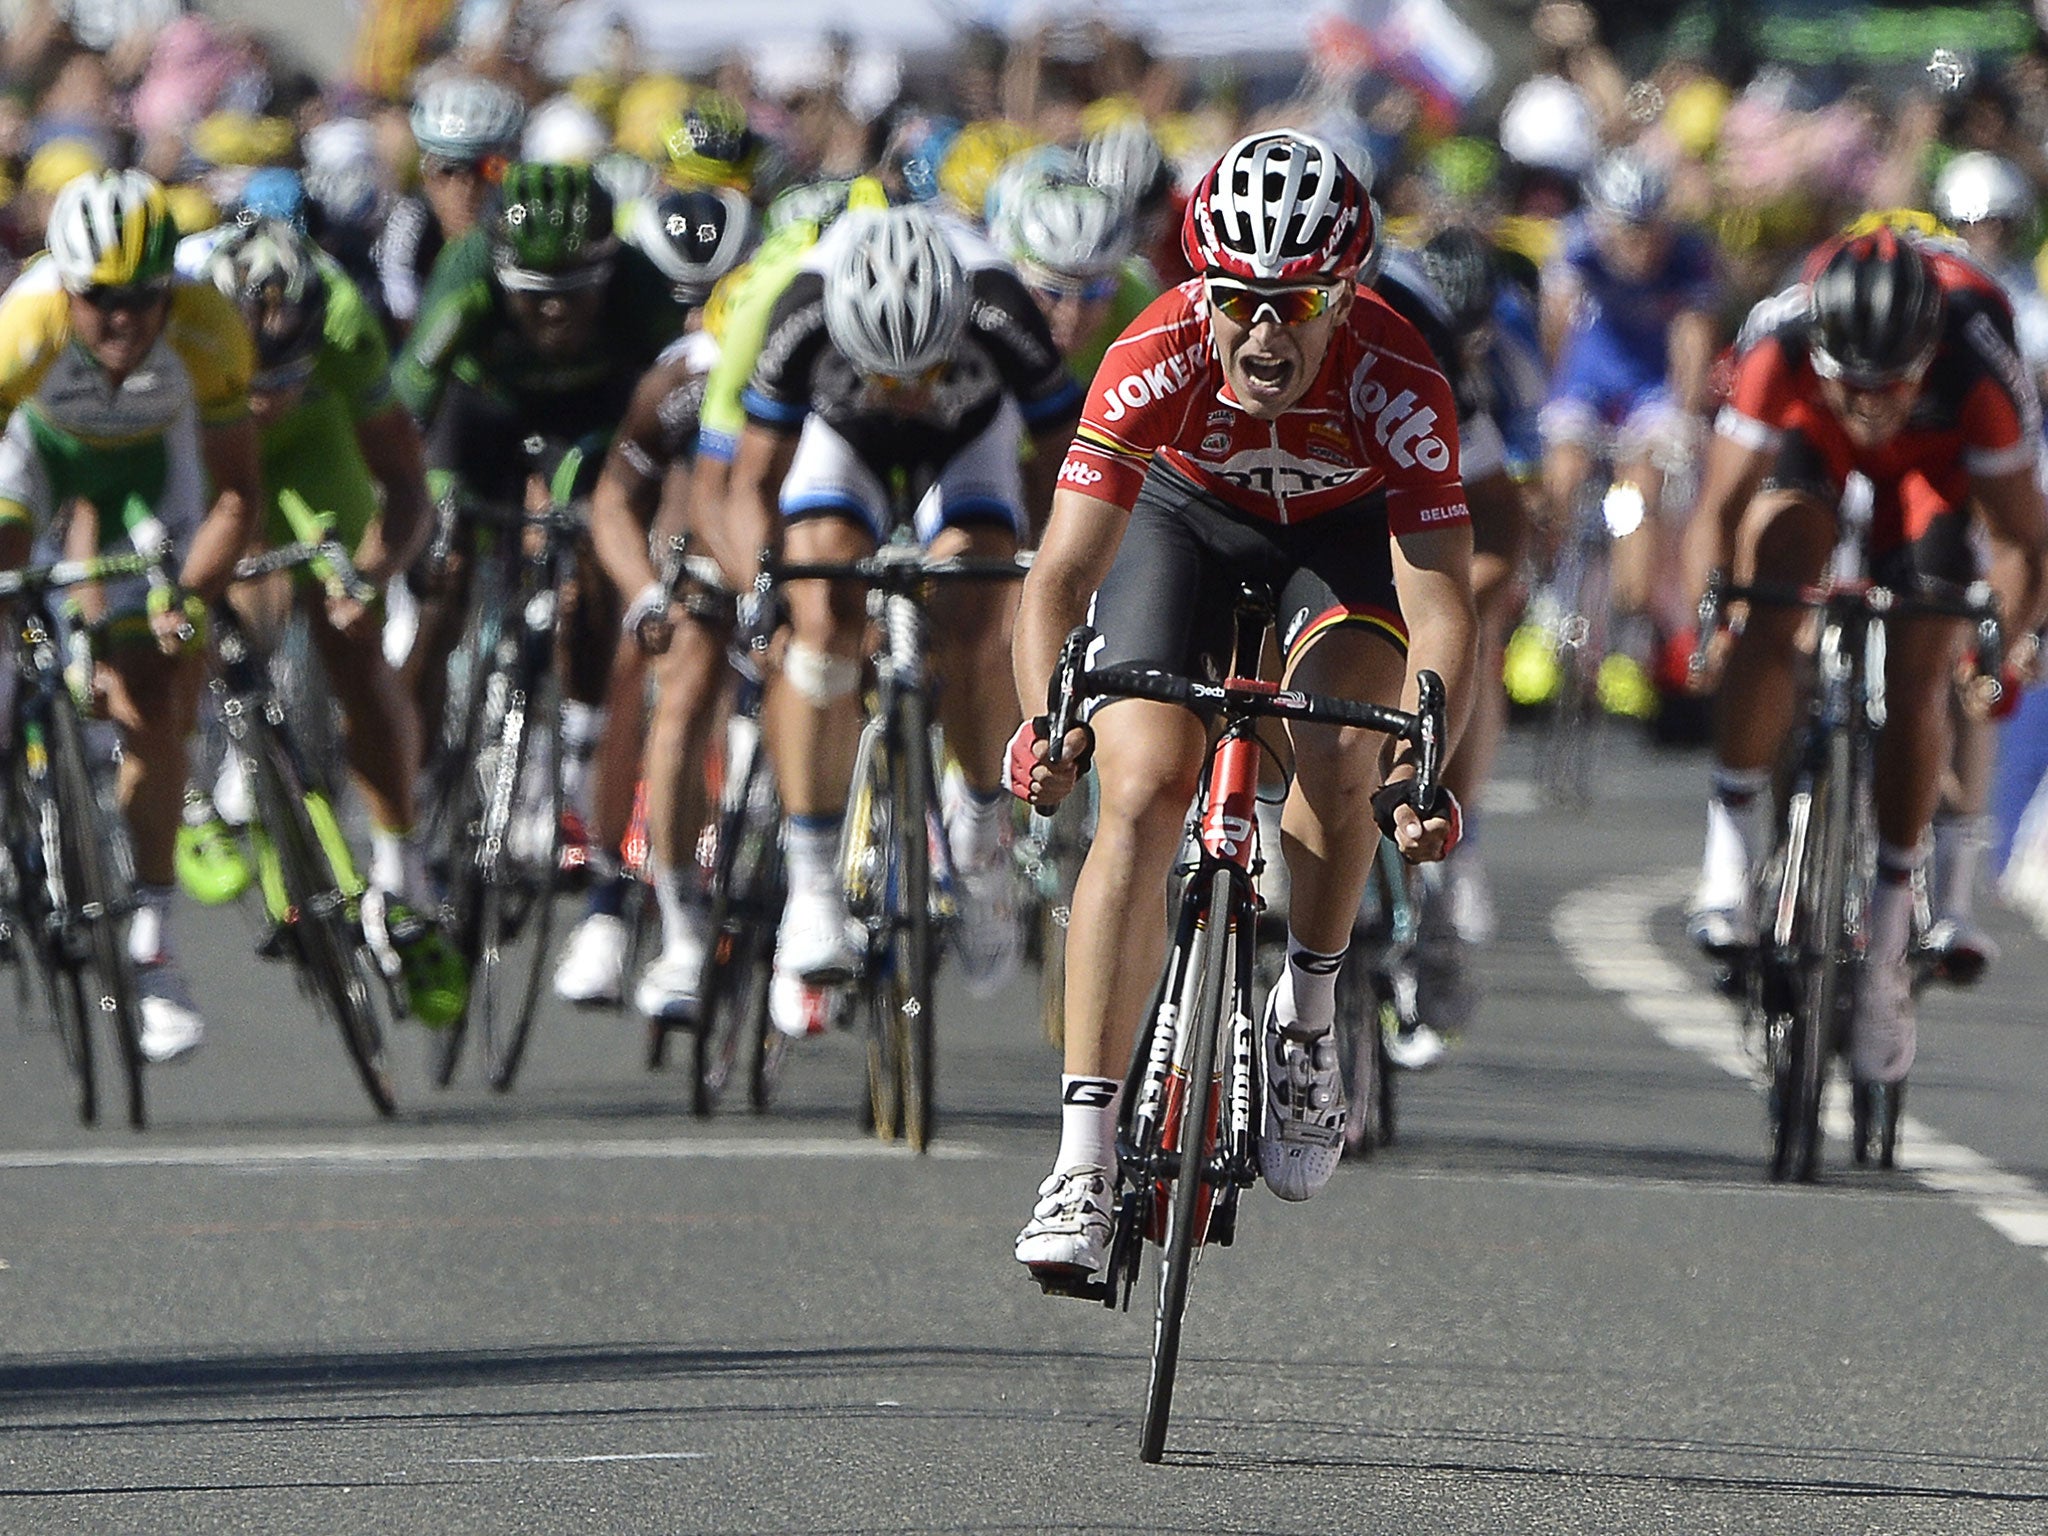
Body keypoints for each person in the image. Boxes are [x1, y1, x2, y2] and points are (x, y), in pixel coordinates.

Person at [1009, 131, 1476, 1285]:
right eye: (1238, 301)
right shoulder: (1154, 347)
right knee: (1141, 785)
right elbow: (1060, 576)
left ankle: (1307, 1019)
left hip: (1341, 542)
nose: (1263, 333)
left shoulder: (1396, 377)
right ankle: (1079, 1157)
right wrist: (1046, 719)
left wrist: (1420, 767)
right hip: (1184, 526)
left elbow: (1444, 611)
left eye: (1297, 302)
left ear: (1345, 296)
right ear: (1202, 290)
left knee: (1342, 736)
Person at [1683, 225, 2048, 1089]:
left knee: (1924, 667)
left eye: (1894, 384)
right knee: (1774, 581)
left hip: (1936, 472)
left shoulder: (1978, 354)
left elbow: (2025, 542)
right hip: (1811, 449)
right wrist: (1717, 622)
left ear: (1929, 353)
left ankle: (1888, 943)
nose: (1874, 403)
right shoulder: (1778, 336)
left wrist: (2000, 639)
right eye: (1856, 383)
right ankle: (1729, 858)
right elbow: (1718, 506)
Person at [725, 202, 1081, 1030]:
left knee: (976, 603)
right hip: (840, 441)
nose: (906, 393)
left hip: (971, 440)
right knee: (821, 616)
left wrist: (1052, 581)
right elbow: (749, 483)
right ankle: (812, 890)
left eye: (922, 371)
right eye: (887, 374)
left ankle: (981, 830)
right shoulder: (804, 313)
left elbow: (1068, 464)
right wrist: (761, 587)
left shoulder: (1000, 306)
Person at [391, 162, 689, 1006]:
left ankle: (583, 735)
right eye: (534, 294)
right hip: (481, 417)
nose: (555, 310)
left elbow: (672, 419)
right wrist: (423, 519)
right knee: (443, 583)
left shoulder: (638, 289)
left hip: (598, 419)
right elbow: (408, 409)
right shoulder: (466, 279)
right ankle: (410, 780)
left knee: (602, 554)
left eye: (574, 293)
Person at [0, 170, 263, 1063]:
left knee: (156, 694)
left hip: (158, 473)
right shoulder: (22, 329)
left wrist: (182, 600)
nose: (123, 321)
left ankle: (154, 943)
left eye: (143, 300)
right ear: (66, 287)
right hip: (36, 454)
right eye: (100, 300)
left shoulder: (207, 329)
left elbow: (235, 497)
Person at [181, 216, 469, 1026]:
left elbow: (405, 488)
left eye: (288, 376)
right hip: (203, 441)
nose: (268, 397)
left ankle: (402, 867)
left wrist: (371, 575)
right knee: (186, 595)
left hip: (318, 450)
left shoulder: (344, 323)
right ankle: (212, 774)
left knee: (352, 639)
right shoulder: (185, 326)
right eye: (256, 380)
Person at [1538, 146, 1718, 672]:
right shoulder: (1576, 242)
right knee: (1563, 471)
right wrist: (1556, 397)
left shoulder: (1689, 254)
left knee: (1639, 485)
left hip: (1651, 388)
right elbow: (1556, 326)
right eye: (1626, 230)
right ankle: (1549, 594)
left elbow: (1693, 339)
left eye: (1648, 229)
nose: (1639, 244)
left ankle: (1628, 619)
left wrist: (1684, 413)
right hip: (1588, 379)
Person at [376, 74, 526, 334]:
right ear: (423, 174)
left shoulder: (522, 217)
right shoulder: (410, 219)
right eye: (445, 170)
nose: (464, 187)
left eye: (490, 169)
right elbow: (399, 299)